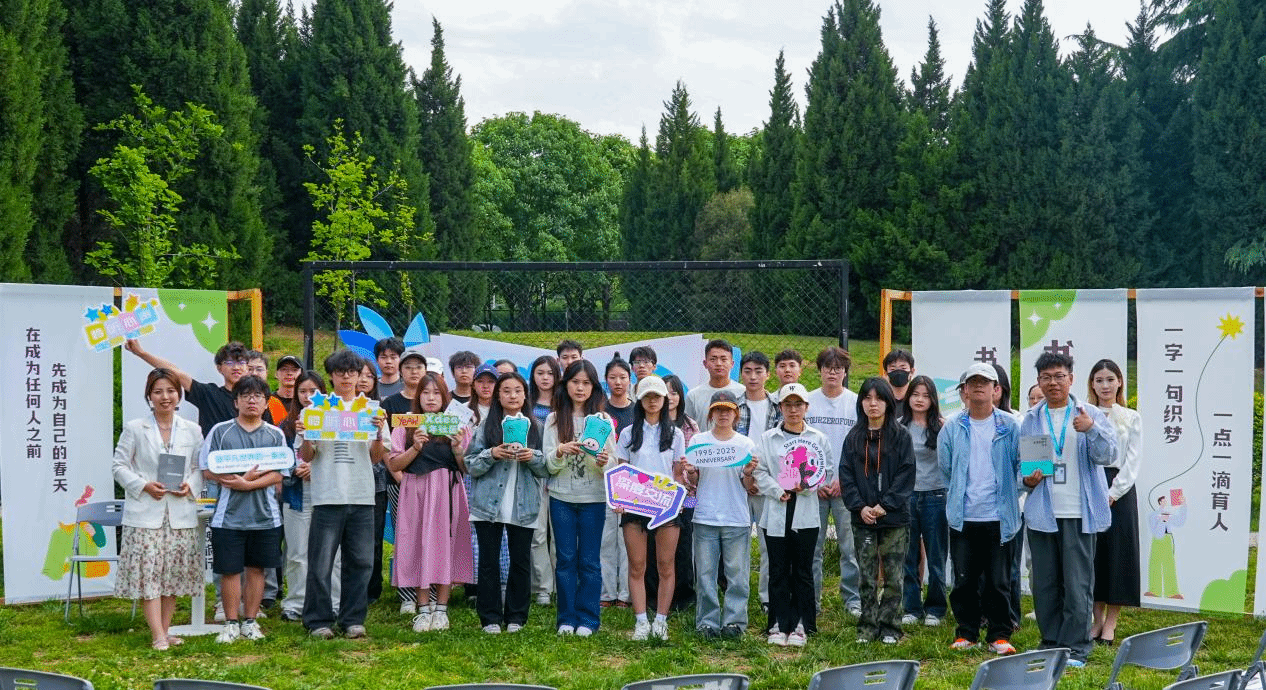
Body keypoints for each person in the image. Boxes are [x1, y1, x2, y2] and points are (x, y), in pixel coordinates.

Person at [1020, 352, 1116, 667]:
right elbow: (1021, 466)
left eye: (1059, 376)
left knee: (1077, 585)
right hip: (1043, 513)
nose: (1053, 382)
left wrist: (1091, 429)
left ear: (1071, 379)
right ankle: (1050, 642)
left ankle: (1076, 648)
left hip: (1078, 512)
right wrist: (1027, 480)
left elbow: (1109, 455)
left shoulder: (1089, 414)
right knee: (1044, 584)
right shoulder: (1031, 418)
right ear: (1038, 381)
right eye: (1046, 377)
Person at [297, 350, 389, 640]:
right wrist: (308, 436)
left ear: (360, 376)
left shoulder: (372, 411)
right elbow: (306, 455)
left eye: (352, 372)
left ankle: (352, 619)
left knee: (361, 561)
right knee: (321, 562)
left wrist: (378, 433)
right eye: (340, 372)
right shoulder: (315, 410)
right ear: (331, 376)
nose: (347, 377)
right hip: (327, 494)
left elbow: (376, 457)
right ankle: (318, 620)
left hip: (362, 494)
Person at [112, 368, 204, 650]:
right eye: (158, 391)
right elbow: (119, 466)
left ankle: (165, 630)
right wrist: (143, 485)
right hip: (146, 512)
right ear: (149, 396)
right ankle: (157, 635)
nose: (165, 397)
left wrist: (190, 485)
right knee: (149, 575)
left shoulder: (192, 429)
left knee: (171, 575)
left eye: (171, 391)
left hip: (179, 513)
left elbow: (199, 467)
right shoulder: (135, 428)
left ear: (179, 394)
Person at [199, 375, 290, 643]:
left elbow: (280, 473)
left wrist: (248, 484)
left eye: (258, 396)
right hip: (228, 516)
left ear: (266, 403)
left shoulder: (275, 434)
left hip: (266, 516)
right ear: (236, 401)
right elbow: (207, 469)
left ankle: (250, 621)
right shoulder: (220, 431)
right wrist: (236, 481)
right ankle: (230, 622)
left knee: (257, 569)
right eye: (246, 395)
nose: (252, 400)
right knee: (229, 571)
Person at [939, 363, 1022, 656]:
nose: (978, 387)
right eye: (972, 382)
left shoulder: (1011, 426)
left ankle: (999, 635)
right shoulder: (952, 426)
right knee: (964, 580)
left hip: (999, 516)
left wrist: (1014, 492)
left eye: (984, 382)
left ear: (996, 390)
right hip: (964, 516)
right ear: (963, 391)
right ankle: (967, 632)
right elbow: (946, 468)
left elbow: (1021, 465)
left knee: (999, 581)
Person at [386, 371, 474, 634]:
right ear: (418, 396)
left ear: (445, 397)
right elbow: (394, 463)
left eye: (437, 393)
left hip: (447, 491)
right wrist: (415, 447)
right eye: (425, 392)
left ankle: (441, 609)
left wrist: (457, 448)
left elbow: (467, 468)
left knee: (446, 545)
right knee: (418, 543)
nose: (431, 398)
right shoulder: (407, 425)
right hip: (416, 491)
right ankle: (423, 609)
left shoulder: (457, 426)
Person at [466, 371, 549, 634]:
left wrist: (532, 457)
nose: (512, 396)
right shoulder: (486, 427)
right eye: (506, 391)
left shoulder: (537, 427)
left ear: (525, 395)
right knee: (488, 562)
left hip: (524, 505)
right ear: (498, 396)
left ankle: (516, 617)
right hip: (488, 505)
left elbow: (547, 468)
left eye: (517, 391)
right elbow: (470, 465)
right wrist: (492, 453)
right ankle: (490, 618)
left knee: (520, 561)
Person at [749, 383, 830, 648]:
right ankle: (777, 623)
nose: (793, 410)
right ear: (780, 407)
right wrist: (777, 490)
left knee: (803, 571)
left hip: (806, 513)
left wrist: (805, 485)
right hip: (776, 510)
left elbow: (826, 471)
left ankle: (802, 623)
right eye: (788, 405)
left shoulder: (818, 438)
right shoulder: (768, 438)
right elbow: (759, 471)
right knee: (778, 569)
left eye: (798, 405)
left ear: (806, 407)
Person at [840, 378, 915, 644]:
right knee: (866, 576)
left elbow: (906, 474)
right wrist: (860, 507)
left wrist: (885, 505)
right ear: (861, 402)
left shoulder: (901, 436)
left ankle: (890, 626)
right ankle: (867, 626)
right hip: (863, 519)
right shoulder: (853, 437)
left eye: (879, 398)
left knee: (894, 576)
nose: (873, 404)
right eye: (867, 398)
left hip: (894, 518)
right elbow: (846, 476)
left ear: (888, 403)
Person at [544, 359, 613, 636]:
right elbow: (548, 464)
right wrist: (560, 451)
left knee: (589, 561)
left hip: (593, 499)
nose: (580, 388)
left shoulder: (603, 421)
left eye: (586, 383)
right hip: (560, 497)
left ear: (594, 387)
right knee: (565, 559)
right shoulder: (553, 419)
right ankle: (566, 618)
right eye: (575, 382)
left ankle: (588, 619)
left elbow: (613, 463)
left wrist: (604, 460)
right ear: (566, 385)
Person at [616, 375, 686, 641]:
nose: (653, 401)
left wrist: (679, 499)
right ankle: (641, 621)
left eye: (657, 396)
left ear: (665, 399)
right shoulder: (628, 433)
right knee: (637, 565)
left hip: (665, 507)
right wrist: (620, 500)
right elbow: (622, 472)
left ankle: (661, 621)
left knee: (666, 565)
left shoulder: (676, 434)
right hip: (635, 506)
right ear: (640, 400)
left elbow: (677, 475)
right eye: (647, 396)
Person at [689, 390, 759, 640]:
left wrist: (749, 473)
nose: (723, 414)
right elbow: (694, 481)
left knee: (737, 576)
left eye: (728, 410)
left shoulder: (745, 444)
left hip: (736, 517)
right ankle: (707, 623)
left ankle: (734, 622)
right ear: (710, 414)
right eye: (717, 410)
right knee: (705, 575)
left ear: (736, 414)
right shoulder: (698, 441)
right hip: (704, 516)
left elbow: (749, 486)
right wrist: (691, 472)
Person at [278, 371, 340, 622]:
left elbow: (341, 457)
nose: (307, 396)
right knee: (297, 552)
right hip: (297, 493)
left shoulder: (336, 420)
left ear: (323, 393)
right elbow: (278, 459)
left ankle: (333, 602)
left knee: (332, 552)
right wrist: (295, 468)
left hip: (329, 493)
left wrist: (316, 468)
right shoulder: (285, 425)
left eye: (313, 391)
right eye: (302, 391)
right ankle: (296, 603)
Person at [804, 346, 861, 619]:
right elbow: (800, 445)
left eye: (838, 368)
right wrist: (814, 481)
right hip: (812, 487)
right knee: (811, 549)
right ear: (820, 370)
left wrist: (843, 480)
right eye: (828, 367)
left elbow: (860, 448)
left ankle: (853, 600)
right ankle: (811, 600)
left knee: (850, 549)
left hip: (845, 486)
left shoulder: (855, 403)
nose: (833, 373)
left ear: (845, 372)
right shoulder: (807, 401)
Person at [1088, 359, 1142, 645]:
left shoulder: (1131, 417)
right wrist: (1097, 494)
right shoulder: (1085, 414)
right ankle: (1096, 621)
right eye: (1099, 380)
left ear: (1120, 382)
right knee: (1094, 555)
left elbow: (1132, 462)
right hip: (1090, 487)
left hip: (1119, 491)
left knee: (1119, 555)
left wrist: (1112, 493)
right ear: (1092, 384)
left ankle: (1111, 624)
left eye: (1110, 379)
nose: (1105, 385)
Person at [379, 348, 425, 614]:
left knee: (429, 535)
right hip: (398, 481)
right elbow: (386, 446)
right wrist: (399, 477)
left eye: (419, 367)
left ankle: (429, 589)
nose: (414, 371)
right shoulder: (391, 404)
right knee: (404, 535)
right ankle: (407, 593)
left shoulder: (434, 402)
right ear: (401, 371)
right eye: (408, 367)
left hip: (430, 482)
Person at [901, 375, 948, 628]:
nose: (919, 400)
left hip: (936, 496)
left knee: (936, 555)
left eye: (926, 395)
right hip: (907, 497)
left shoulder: (943, 427)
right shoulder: (898, 426)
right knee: (908, 556)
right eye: (915, 394)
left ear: (933, 400)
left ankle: (936, 609)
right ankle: (911, 607)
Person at [736, 351, 780, 613]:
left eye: (758, 371)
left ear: (768, 374)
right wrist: (745, 477)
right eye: (748, 371)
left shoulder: (778, 406)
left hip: (768, 484)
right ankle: (737, 594)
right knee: (737, 545)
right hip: (738, 485)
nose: (753, 377)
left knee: (768, 545)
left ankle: (767, 597)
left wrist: (761, 479)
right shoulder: (733, 405)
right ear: (741, 373)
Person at [527, 355, 561, 605]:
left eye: (550, 373)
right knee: (538, 534)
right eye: (540, 373)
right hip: (534, 475)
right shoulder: (526, 404)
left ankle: (561, 584)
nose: (545, 378)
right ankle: (542, 588)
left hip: (560, 474)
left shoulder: (564, 404)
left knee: (560, 535)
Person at [601, 354, 634, 608]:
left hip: (632, 482)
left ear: (630, 379)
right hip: (603, 480)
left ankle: (626, 594)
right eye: (613, 377)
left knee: (628, 540)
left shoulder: (638, 410)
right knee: (606, 538)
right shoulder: (599, 412)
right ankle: (606, 592)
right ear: (606, 380)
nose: (618, 382)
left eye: (623, 377)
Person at [685, 339, 744, 432]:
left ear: (732, 364)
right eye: (713, 359)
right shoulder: (693, 395)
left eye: (724, 359)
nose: (718, 364)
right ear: (705, 364)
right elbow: (688, 429)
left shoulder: (743, 392)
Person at [267, 355, 303, 425]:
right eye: (284, 369)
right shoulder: (268, 401)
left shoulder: (305, 401)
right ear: (276, 374)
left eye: (294, 370)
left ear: (301, 374)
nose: (289, 373)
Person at [883, 349, 916, 421]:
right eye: (893, 369)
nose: (898, 372)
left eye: (903, 368)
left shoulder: (917, 400)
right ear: (885, 373)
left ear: (912, 371)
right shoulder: (881, 399)